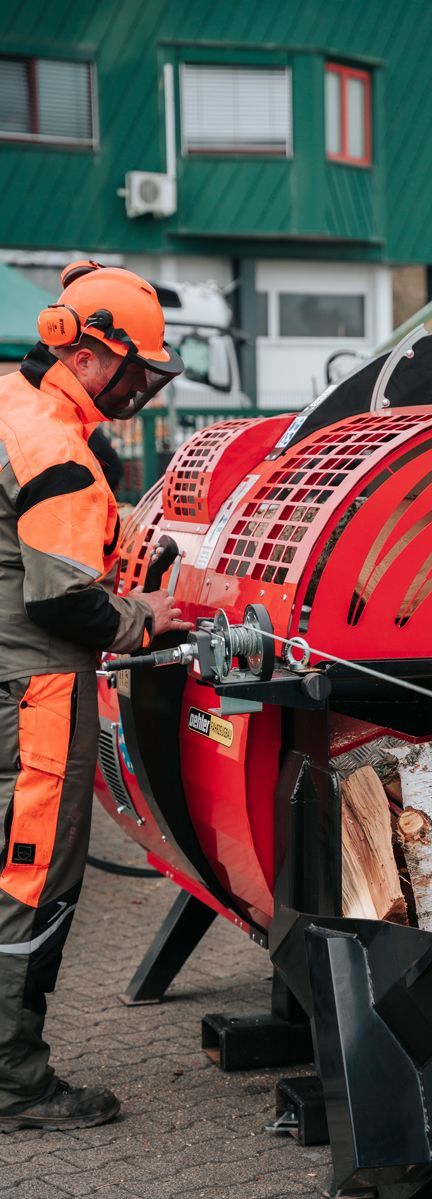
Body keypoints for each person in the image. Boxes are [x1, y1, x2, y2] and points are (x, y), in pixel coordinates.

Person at [0, 261, 191, 1131]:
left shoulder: (17, 401)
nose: (142, 392)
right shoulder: (60, 454)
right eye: (138, 373)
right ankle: (15, 1083)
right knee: (34, 882)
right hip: (37, 690)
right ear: (89, 354)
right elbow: (61, 600)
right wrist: (148, 618)